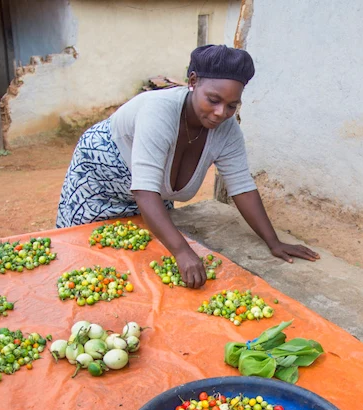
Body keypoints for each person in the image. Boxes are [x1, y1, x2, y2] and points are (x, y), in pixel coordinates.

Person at [56, 44, 319, 288]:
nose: (220, 113)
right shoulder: (159, 112)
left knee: (143, 262)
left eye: (231, 105)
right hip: (100, 180)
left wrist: (273, 241)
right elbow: (146, 192)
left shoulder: (227, 131)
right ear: (193, 82)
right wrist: (183, 252)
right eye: (213, 100)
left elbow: (242, 187)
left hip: (148, 197)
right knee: (87, 257)